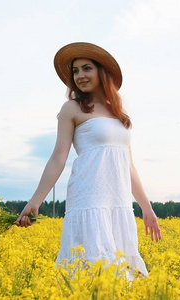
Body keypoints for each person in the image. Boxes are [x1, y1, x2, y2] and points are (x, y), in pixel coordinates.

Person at [14, 42, 161, 277]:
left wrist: (147, 208)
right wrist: (35, 201)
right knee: (90, 273)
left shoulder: (118, 113)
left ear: (101, 72)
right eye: (75, 71)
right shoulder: (72, 108)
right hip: (89, 199)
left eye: (86, 68)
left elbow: (128, 166)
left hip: (118, 202)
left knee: (120, 276)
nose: (80, 75)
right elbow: (57, 158)